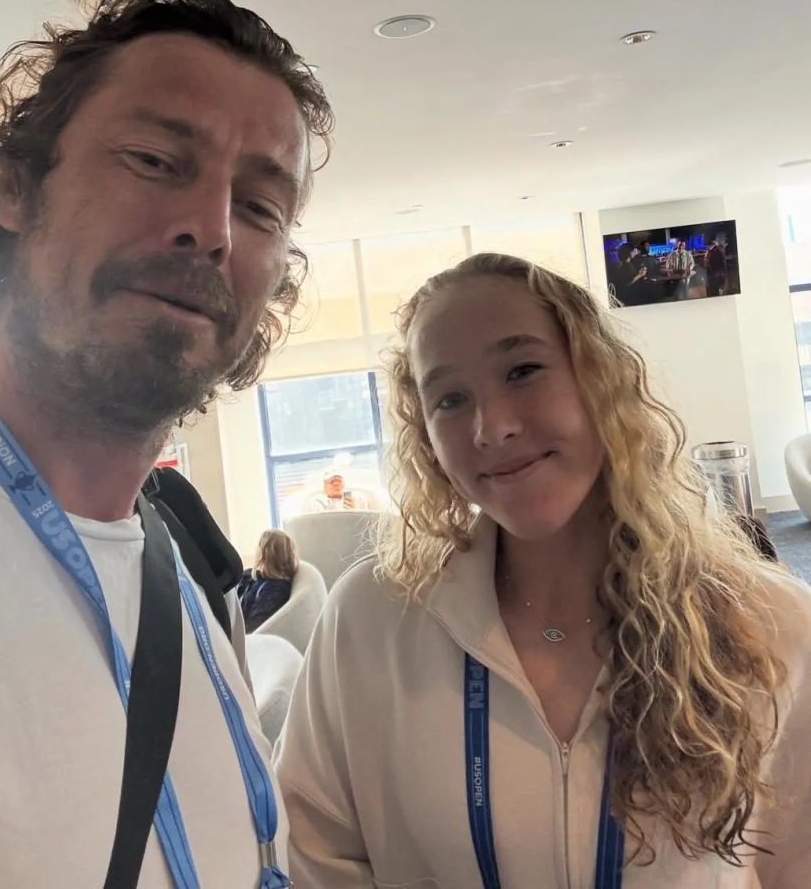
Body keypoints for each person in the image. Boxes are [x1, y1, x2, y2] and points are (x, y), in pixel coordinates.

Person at [275, 252, 811, 888]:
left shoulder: (769, 626)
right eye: (450, 399)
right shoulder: (369, 620)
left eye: (523, 371)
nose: (492, 427)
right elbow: (312, 853)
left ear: (600, 380)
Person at [0, 0, 333, 887]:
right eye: (156, 160)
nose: (210, 229)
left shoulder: (195, 572)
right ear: (16, 188)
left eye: (260, 207)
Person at [239, 530, 300, 633]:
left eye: (258, 546)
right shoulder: (250, 575)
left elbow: (253, 625)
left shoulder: (277, 589)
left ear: (264, 553)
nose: (255, 549)